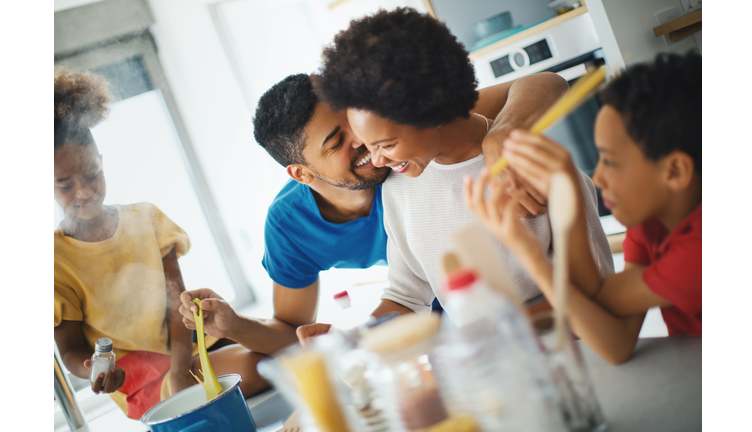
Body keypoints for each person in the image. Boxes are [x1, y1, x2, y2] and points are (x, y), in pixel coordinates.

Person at [178, 67, 570, 348]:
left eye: (353, 122)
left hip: (502, 298)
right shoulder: (290, 225)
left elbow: (545, 82)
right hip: (442, 307)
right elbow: (399, 297)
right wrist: (235, 327)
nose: (367, 142)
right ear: (301, 173)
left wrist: (501, 133)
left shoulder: (401, 138)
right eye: (336, 142)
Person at [314, 8, 614, 322]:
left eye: (386, 145)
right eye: (369, 145)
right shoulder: (398, 187)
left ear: (431, 111)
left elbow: (594, 287)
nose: (376, 161)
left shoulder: (528, 164)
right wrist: (355, 342)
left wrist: (492, 331)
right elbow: (405, 297)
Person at [53, 67, 265, 419]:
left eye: (92, 174)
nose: (85, 191)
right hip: (141, 377)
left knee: (282, 341)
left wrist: (183, 370)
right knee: (263, 365)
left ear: (103, 163)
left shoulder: (146, 218)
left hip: (188, 350)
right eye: (65, 184)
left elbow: (176, 303)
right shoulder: (55, 259)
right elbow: (71, 349)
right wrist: (94, 369)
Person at [465, 52, 701, 365]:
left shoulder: (699, 250)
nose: (598, 176)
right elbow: (615, 343)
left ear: (675, 171)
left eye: (611, 161)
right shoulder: (650, 225)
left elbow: (597, 296)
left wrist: (531, 252)